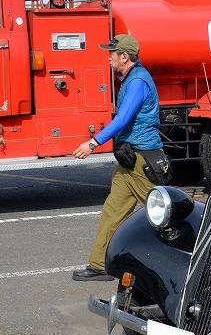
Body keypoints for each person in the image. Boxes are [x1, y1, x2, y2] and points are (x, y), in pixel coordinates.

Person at [71, 34, 166, 281]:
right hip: (128, 159)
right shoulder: (129, 79)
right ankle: (99, 264)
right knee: (113, 211)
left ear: (125, 57)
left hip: (142, 159)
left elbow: (123, 119)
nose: (108, 57)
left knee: (165, 214)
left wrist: (93, 142)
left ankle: (192, 255)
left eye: (112, 53)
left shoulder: (137, 82)